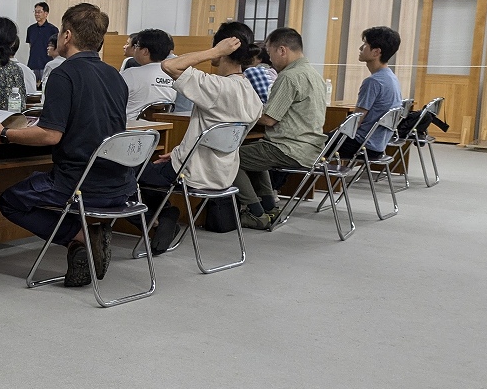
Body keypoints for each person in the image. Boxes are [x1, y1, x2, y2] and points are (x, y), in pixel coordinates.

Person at [0, 3, 129, 286]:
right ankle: (82, 241)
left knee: (10, 201)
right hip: (120, 184)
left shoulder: (63, 74)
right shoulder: (115, 75)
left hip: (78, 183)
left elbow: (51, 136)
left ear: (66, 36)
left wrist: (3, 132)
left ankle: (79, 236)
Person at [137, 24, 264, 254]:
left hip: (192, 173)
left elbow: (168, 64)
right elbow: (222, 137)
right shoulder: (252, 95)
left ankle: (161, 217)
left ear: (223, 49)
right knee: (154, 168)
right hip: (223, 175)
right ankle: (162, 217)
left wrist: (214, 53)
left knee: (127, 172)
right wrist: (179, 152)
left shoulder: (217, 86)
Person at [234, 27, 327, 230]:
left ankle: (255, 212)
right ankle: (269, 207)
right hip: (310, 147)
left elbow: (269, 120)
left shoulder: (289, 77)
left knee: (227, 158)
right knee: (257, 150)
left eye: (270, 52)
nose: (269, 58)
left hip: (289, 147)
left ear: (282, 50)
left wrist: (240, 109)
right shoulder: (313, 73)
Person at [336, 26, 403, 159]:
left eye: (365, 44)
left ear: (376, 52)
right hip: (377, 145)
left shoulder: (373, 82)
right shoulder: (391, 78)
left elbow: (356, 121)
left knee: (310, 144)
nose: (361, 48)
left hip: (360, 145)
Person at [120, 28, 177, 119]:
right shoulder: (173, 76)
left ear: (145, 51)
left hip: (130, 129)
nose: (135, 49)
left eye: (137, 45)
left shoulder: (130, 74)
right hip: (159, 130)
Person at [26, 2, 59, 81]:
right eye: (35, 12)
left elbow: (55, 47)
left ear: (46, 13)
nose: (37, 14)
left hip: (47, 63)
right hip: (32, 64)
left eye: (39, 12)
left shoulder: (53, 29)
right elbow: (31, 45)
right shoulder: (30, 29)